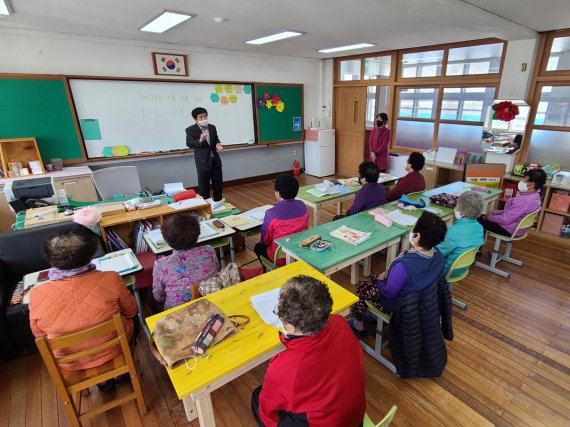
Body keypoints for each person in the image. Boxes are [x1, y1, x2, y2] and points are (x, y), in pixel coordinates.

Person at [251, 275, 366, 427]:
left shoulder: (285, 367)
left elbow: (267, 414)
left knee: (256, 397)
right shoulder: (340, 323)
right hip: (355, 417)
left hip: (325, 422)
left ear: (290, 326)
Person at [29, 228, 138, 384]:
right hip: (114, 348)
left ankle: (102, 383)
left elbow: (39, 334)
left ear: (50, 260)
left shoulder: (36, 294)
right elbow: (131, 311)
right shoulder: (111, 278)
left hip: (70, 360)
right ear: (91, 255)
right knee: (135, 321)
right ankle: (119, 375)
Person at [349, 211, 447, 333]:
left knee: (362, 287)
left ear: (417, 236)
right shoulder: (439, 257)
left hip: (399, 307)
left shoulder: (403, 266)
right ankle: (374, 317)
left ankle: (358, 324)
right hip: (422, 303)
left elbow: (388, 293)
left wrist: (379, 281)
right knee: (375, 280)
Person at [151, 212, 219, 312]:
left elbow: (159, 297)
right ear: (198, 233)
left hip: (180, 315)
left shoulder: (161, 264)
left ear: (167, 240)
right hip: (211, 303)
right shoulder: (209, 250)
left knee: (150, 297)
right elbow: (216, 270)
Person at [254, 175, 309, 266]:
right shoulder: (302, 206)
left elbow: (265, 240)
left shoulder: (271, 213)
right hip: (300, 252)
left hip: (280, 258)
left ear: (278, 193)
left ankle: (268, 271)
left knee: (258, 247)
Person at [479, 168, 546, 237]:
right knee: (481, 217)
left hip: (509, 229)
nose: (522, 182)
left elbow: (506, 219)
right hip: (519, 228)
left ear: (532, 184)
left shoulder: (525, 200)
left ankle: (475, 246)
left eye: (525, 180)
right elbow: (511, 212)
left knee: (477, 222)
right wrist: (494, 212)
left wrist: (488, 217)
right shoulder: (536, 196)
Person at [436, 191, 484, 278]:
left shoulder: (453, 232)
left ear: (463, 212)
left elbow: (436, 253)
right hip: (462, 268)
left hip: (446, 270)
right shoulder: (479, 227)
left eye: (457, 206)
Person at [186, 107, 224, 201]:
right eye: (201, 117)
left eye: (205, 116)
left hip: (215, 160)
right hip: (202, 162)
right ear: (195, 119)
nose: (204, 119)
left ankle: (218, 202)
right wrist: (199, 140)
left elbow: (216, 139)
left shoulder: (212, 127)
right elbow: (189, 143)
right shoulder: (191, 130)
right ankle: (206, 205)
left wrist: (217, 144)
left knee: (218, 184)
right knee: (204, 187)